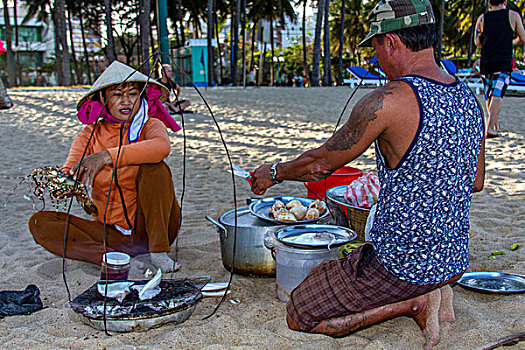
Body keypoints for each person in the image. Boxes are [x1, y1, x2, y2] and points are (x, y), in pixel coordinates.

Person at [250, 0, 485, 348]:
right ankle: (433, 288)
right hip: (452, 259)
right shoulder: (469, 98)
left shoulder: (389, 99)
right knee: (322, 273)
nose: (376, 57)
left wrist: (273, 173)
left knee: (300, 311)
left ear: (390, 42)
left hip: (400, 264)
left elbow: (321, 164)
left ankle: (413, 303)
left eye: (375, 46)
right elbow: (475, 182)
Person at [28, 61, 183, 273]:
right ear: (103, 99)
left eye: (133, 94)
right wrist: (67, 182)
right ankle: (110, 258)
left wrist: (106, 157)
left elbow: (161, 147)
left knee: (155, 168)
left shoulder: (150, 124)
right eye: (117, 95)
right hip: (110, 233)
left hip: (154, 230)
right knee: (39, 222)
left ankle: (158, 253)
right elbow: (71, 168)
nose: (126, 101)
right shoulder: (90, 134)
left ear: (142, 97)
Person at [474, 0, 525, 138]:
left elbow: (478, 42)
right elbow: (523, 37)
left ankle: (494, 124)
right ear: (505, 2)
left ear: (490, 4)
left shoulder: (482, 18)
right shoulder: (513, 16)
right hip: (503, 61)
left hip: (486, 62)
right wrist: (511, 42)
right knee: (498, 93)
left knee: (489, 94)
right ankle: (490, 127)